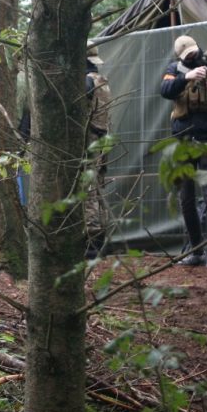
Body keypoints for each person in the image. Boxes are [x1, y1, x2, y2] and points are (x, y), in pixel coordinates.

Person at [160, 34, 207, 268]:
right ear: (180, 56)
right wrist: (186, 76)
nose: (192, 56)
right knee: (186, 197)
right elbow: (165, 89)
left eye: (193, 51)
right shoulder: (174, 69)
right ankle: (196, 250)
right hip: (183, 142)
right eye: (186, 55)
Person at [84, 44, 113, 257]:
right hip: (103, 139)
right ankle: (101, 237)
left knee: (88, 191)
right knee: (98, 188)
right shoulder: (101, 81)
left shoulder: (86, 81)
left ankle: (92, 241)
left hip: (91, 139)